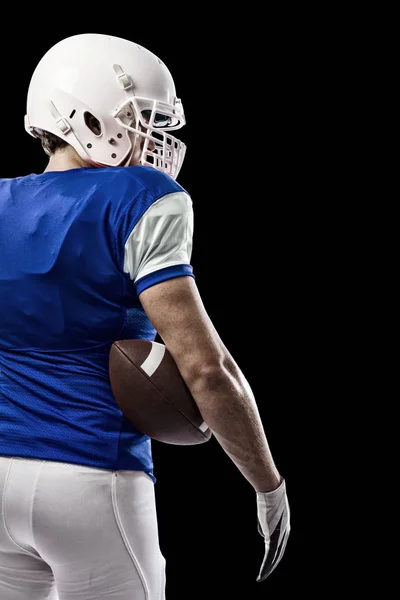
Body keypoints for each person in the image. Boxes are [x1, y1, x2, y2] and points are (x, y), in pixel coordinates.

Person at [0, 33, 290, 600]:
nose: (154, 137)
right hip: (90, 471)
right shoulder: (141, 194)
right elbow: (208, 370)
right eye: (140, 118)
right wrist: (268, 484)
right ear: (87, 113)